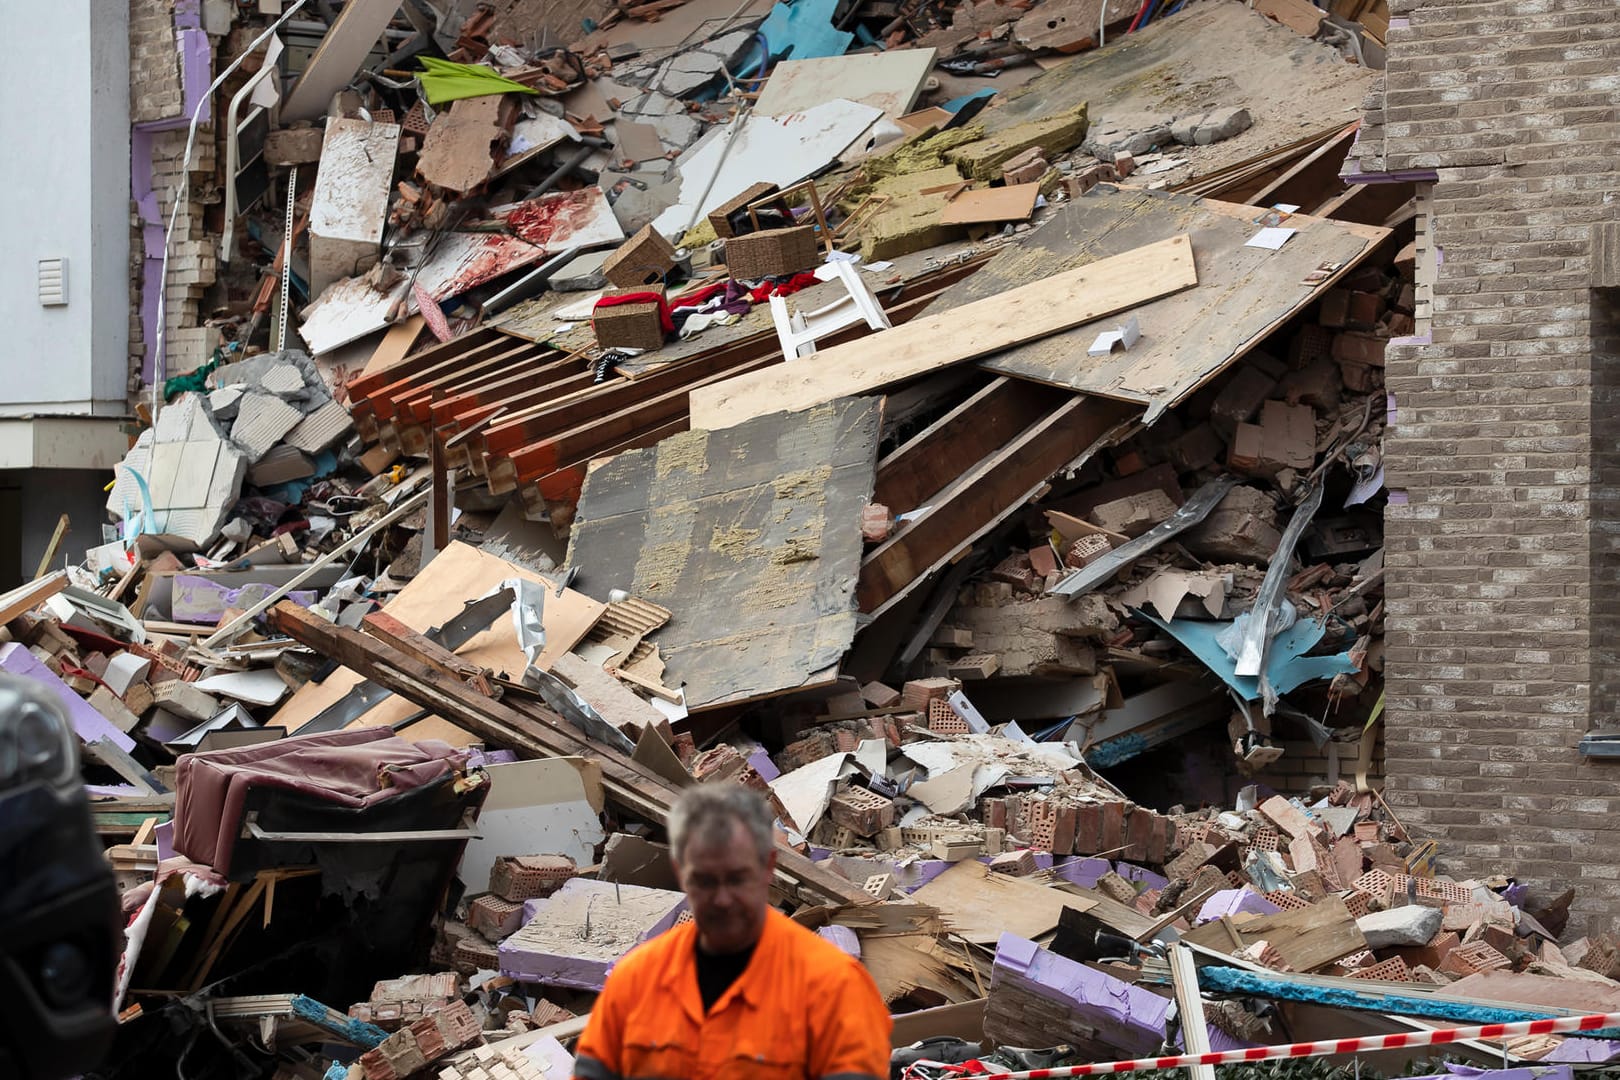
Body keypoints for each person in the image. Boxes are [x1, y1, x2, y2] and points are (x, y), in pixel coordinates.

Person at [573, 783, 892, 1080]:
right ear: (679, 871)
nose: (722, 900)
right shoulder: (636, 981)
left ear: (768, 866)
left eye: (738, 879)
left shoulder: (833, 987)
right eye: (705, 881)